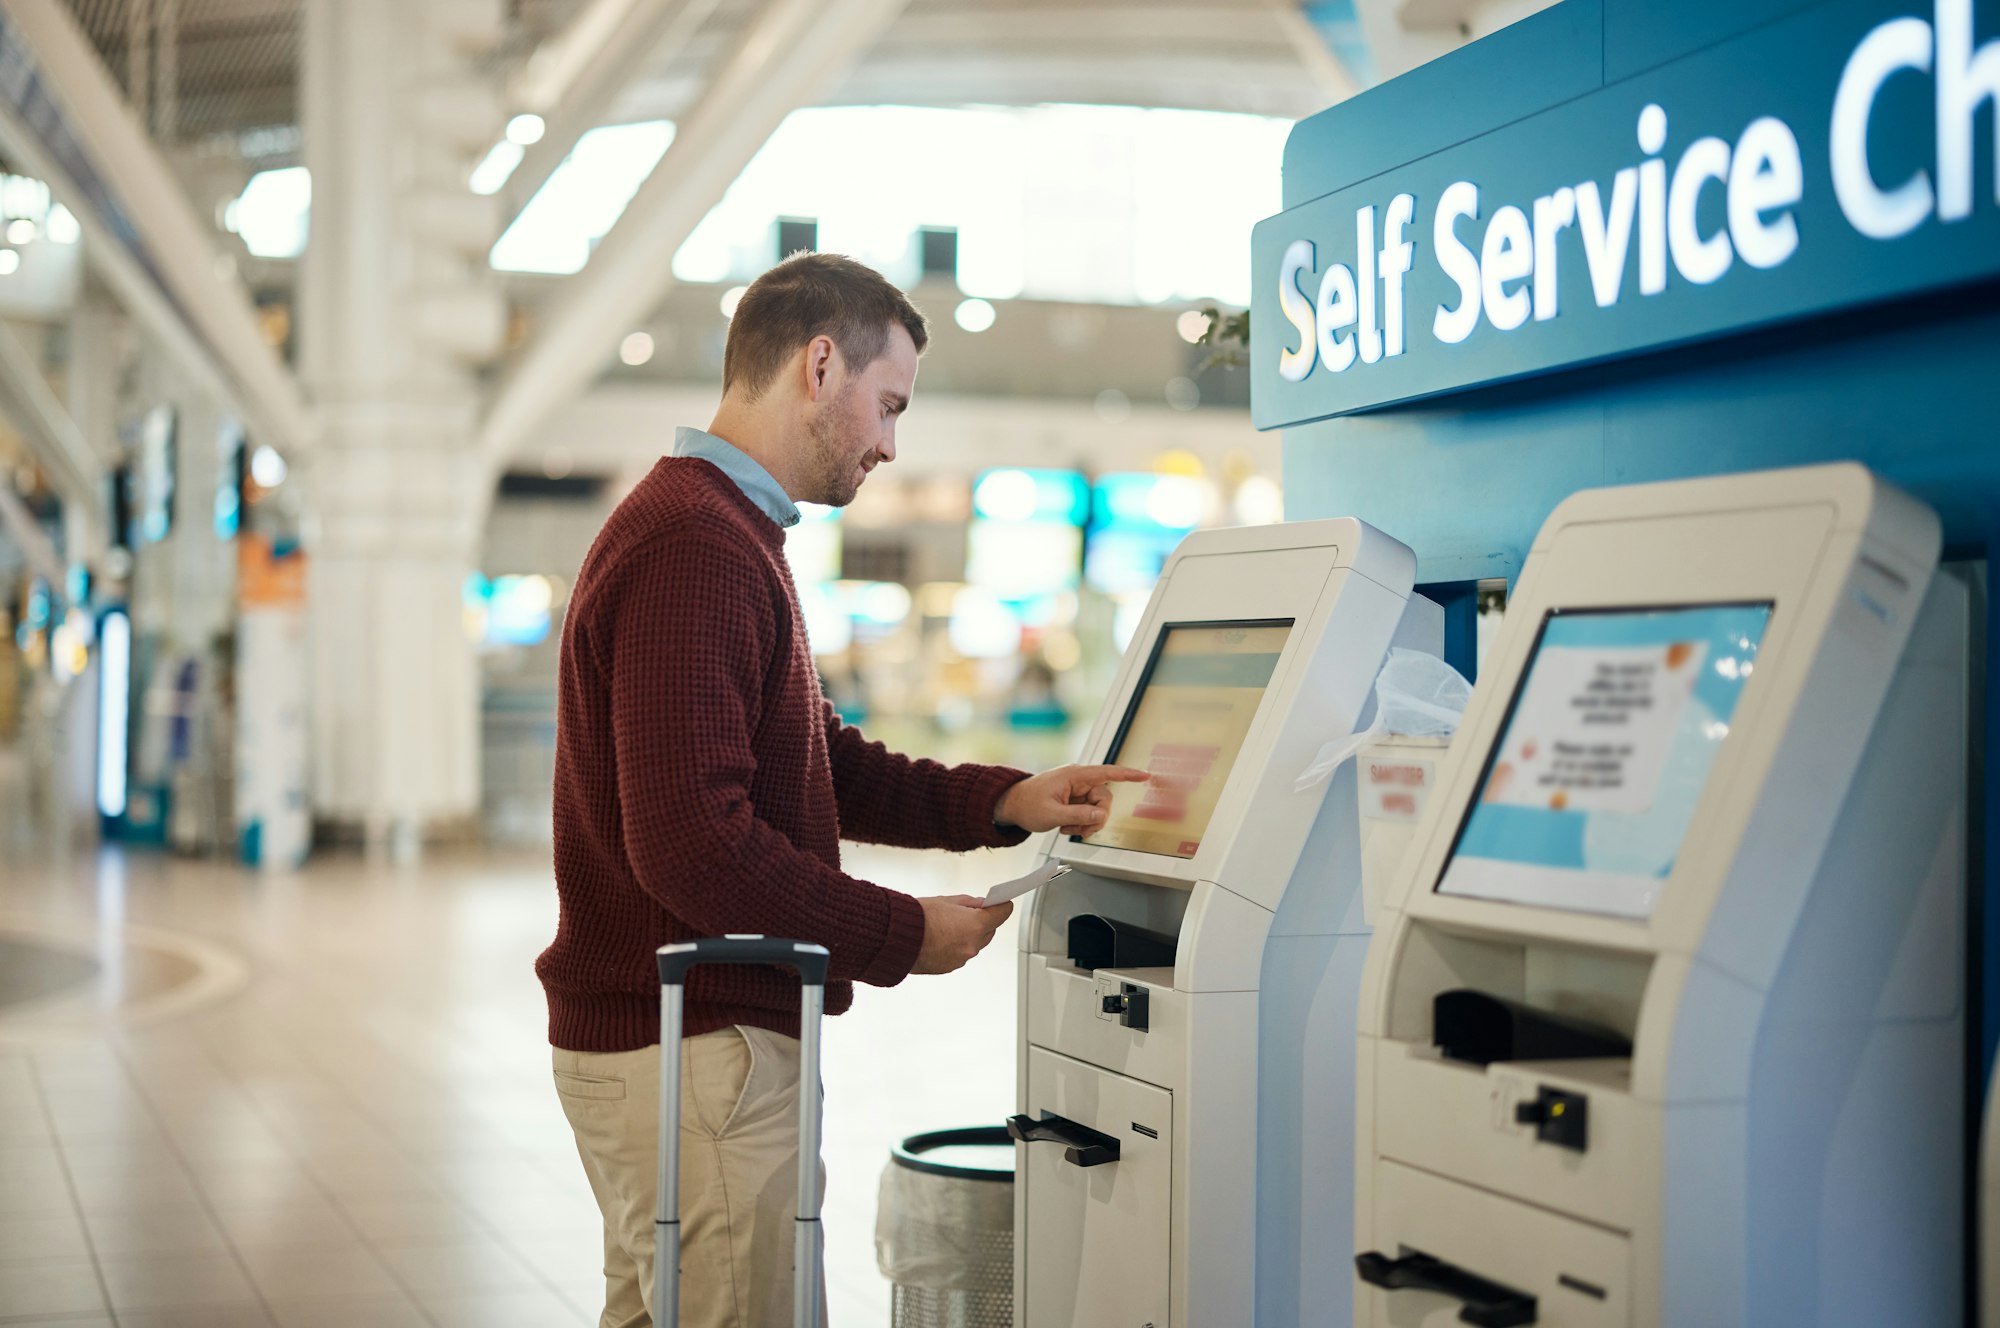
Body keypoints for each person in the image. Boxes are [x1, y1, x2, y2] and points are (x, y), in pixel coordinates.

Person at [537, 251, 1146, 1328]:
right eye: (886, 402)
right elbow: (691, 843)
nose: (887, 441)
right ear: (820, 364)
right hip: (696, 1043)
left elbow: (825, 765)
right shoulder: (697, 543)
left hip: (680, 1038)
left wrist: (1006, 800)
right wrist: (898, 932)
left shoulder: (726, 534)